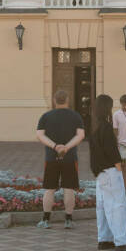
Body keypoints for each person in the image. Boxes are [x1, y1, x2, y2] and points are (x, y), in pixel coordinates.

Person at [88, 94, 126, 251]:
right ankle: (122, 242)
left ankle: (104, 239)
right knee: (119, 206)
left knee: (102, 207)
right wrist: (118, 167)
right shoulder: (106, 127)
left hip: (100, 172)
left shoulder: (94, 127)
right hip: (110, 170)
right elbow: (111, 151)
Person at [35, 89, 85, 229]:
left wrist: (55, 146)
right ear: (67, 100)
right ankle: (68, 220)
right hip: (70, 158)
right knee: (69, 188)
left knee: (49, 189)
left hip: (51, 157)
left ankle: (45, 220)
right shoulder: (76, 116)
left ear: (54, 101)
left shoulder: (45, 116)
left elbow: (40, 135)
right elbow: (80, 135)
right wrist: (66, 148)